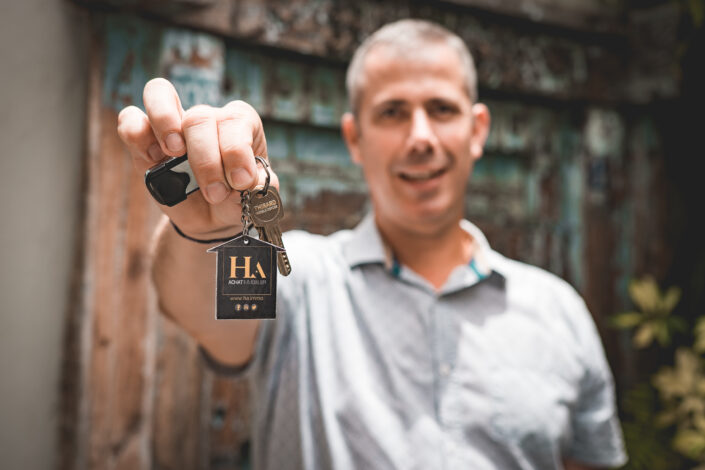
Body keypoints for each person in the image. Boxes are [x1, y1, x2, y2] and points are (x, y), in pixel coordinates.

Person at [118, 19, 627, 470]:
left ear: (477, 131)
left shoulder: (558, 311)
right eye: (392, 112)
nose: (421, 137)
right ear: (354, 138)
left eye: (441, 109)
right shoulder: (302, 282)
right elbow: (204, 311)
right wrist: (209, 230)